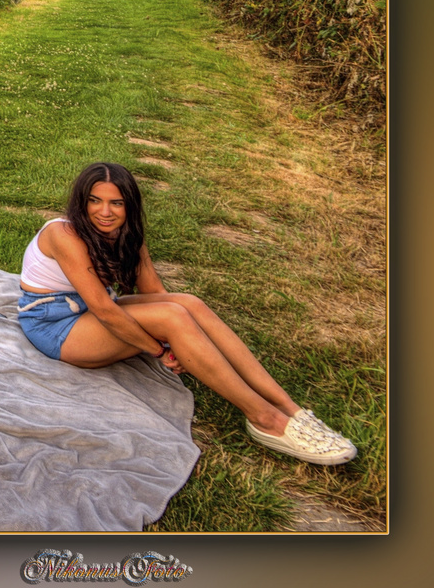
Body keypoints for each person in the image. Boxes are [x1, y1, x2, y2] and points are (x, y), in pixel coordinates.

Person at [18, 161, 356, 465]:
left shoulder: (126, 234)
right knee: (172, 318)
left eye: (116, 203)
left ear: (129, 206)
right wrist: (162, 349)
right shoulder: (63, 233)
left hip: (88, 314)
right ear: (82, 201)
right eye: (95, 200)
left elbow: (157, 295)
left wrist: (178, 337)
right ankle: (265, 419)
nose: (105, 211)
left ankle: (288, 407)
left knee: (188, 305)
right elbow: (106, 310)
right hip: (55, 325)